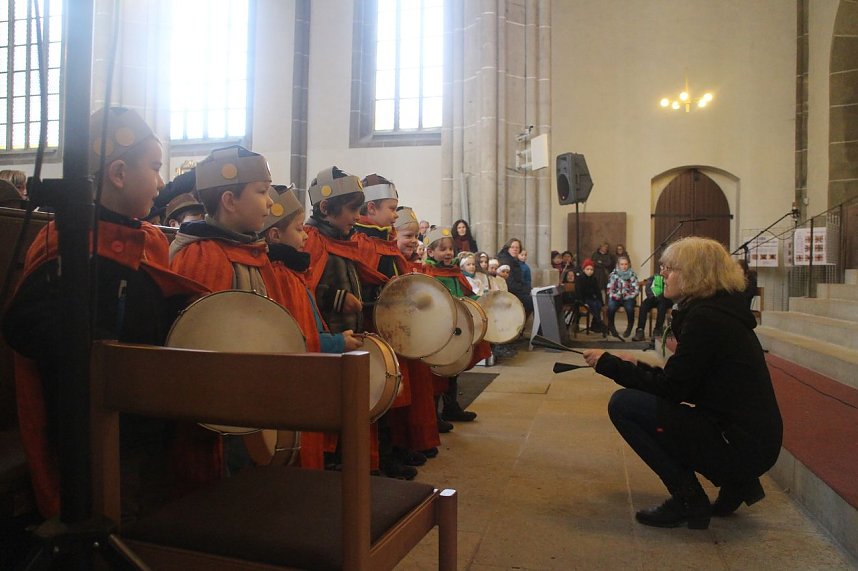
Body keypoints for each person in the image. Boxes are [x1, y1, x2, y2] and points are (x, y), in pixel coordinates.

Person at [3, 107, 211, 520]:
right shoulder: (68, 245)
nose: (160, 182)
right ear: (118, 173)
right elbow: (24, 326)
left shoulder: (143, 239)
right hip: (98, 431)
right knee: (119, 517)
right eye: (154, 168)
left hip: (145, 420)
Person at [583, 237, 783, 530]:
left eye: (669, 269)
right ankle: (739, 484)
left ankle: (689, 498)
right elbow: (684, 380)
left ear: (694, 274)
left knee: (625, 405)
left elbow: (672, 390)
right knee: (651, 406)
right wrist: (631, 364)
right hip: (749, 438)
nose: (662, 275)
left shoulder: (707, 319)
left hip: (741, 443)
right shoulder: (718, 311)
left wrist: (610, 365)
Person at [170, 145, 287, 477]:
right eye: (262, 192)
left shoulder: (251, 249)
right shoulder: (201, 255)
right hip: (222, 399)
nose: (270, 202)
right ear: (229, 201)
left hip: (254, 388)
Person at [261, 185, 363, 470]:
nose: (305, 233)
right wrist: (337, 342)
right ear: (274, 235)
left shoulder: (290, 271)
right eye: (297, 228)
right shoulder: (281, 275)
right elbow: (299, 338)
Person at [352, 173, 420, 480]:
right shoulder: (362, 242)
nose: (395, 214)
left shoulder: (387, 243)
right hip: (373, 327)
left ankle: (396, 449)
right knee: (378, 393)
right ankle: (379, 459)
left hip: (392, 328)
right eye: (391, 208)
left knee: (395, 392)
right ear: (370, 209)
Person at [421, 227, 484, 423]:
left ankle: (451, 407)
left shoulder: (455, 272)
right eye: (443, 249)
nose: (449, 253)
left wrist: (481, 302)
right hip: (438, 330)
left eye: (451, 249)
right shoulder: (429, 273)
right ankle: (433, 414)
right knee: (438, 372)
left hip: (457, 327)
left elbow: (466, 294)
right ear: (430, 252)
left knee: (454, 369)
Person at [303, 166, 366, 334]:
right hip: (329, 340)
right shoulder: (311, 240)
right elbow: (302, 289)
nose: (358, 217)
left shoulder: (341, 241)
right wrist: (335, 298)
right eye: (352, 209)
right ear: (325, 208)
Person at [496, 238, 534, 316]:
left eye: (517, 247)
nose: (515, 249)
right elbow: (510, 284)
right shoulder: (506, 261)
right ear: (508, 248)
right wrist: (527, 291)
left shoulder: (513, 260)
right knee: (533, 302)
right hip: (508, 293)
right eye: (512, 247)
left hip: (515, 290)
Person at [632, 272, 672, 341]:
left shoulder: (672, 277)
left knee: (662, 306)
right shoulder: (654, 277)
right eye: (663, 267)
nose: (664, 270)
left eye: (667, 268)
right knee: (644, 305)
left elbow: (672, 291)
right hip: (653, 297)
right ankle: (640, 330)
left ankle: (657, 330)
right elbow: (648, 288)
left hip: (666, 299)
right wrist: (652, 296)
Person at [606, 256, 639, 338]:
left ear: (628, 265)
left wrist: (629, 296)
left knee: (630, 308)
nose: (624, 266)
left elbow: (636, 290)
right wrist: (615, 296)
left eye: (625, 264)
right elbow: (610, 289)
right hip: (616, 297)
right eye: (622, 264)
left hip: (628, 297)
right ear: (618, 265)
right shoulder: (613, 275)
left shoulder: (632, 275)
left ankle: (629, 327)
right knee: (611, 307)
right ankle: (611, 326)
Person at [574, 259, 608, 335]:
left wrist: (602, 303)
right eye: (588, 269)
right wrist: (583, 303)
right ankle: (599, 322)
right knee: (593, 304)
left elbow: (597, 291)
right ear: (584, 269)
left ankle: (596, 323)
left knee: (598, 304)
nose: (590, 271)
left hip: (591, 298)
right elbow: (579, 292)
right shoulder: (580, 279)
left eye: (591, 269)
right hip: (583, 299)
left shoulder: (594, 279)